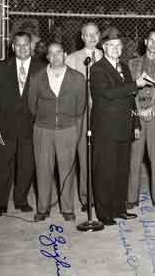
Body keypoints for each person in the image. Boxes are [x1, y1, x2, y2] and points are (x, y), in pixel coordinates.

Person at [90, 33, 148, 226]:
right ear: (104, 48)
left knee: (122, 170)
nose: (116, 49)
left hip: (124, 127)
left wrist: (136, 123)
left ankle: (119, 209)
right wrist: (134, 84)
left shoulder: (124, 67)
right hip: (105, 129)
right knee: (105, 171)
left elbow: (131, 99)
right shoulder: (97, 69)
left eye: (119, 45)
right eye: (111, 45)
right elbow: (106, 94)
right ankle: (104, 213)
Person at [0, 31, 45, 217]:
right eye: (18, 45)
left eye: (26, 44)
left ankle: (21, 200)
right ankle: (0, 203)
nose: (22, 48)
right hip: (5, 124)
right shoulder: (2, 67)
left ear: (32, 47)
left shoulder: (41, 67)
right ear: (12, 47)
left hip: (31, 125)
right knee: (2, 164)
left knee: (27, 164)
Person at [28, 43, 86, 221]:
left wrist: (70, 123)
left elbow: (81, 105)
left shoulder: (77, 77)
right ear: (47, 57)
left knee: (67, 169)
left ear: (65, 54)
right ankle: (43, 208)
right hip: (43, 129)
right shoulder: (37, 77)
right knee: (43, 169)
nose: (55, 57)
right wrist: (45, 119)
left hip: (68, 129)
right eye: (51, 54)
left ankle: (67, 209)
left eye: (58, 53)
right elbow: (32, 105)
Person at [127, 29, 155, 210]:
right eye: (151, 40)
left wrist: (152, 109)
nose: (154, 44)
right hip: (136, 115)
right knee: (134, 157)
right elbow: (129, 90)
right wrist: (139, 110)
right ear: (145, 42)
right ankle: (132, 197)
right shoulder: (132, 64)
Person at [65, 22, 103, 212]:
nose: (92, 37)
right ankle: (86, 197)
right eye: (88, 35)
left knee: (102, 155)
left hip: (104, 113)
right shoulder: (71, 59)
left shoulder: (107, 54)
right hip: (80, 114)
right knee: (84, 154)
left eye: (95, 33)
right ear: (82, 37)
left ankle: (102, 194)